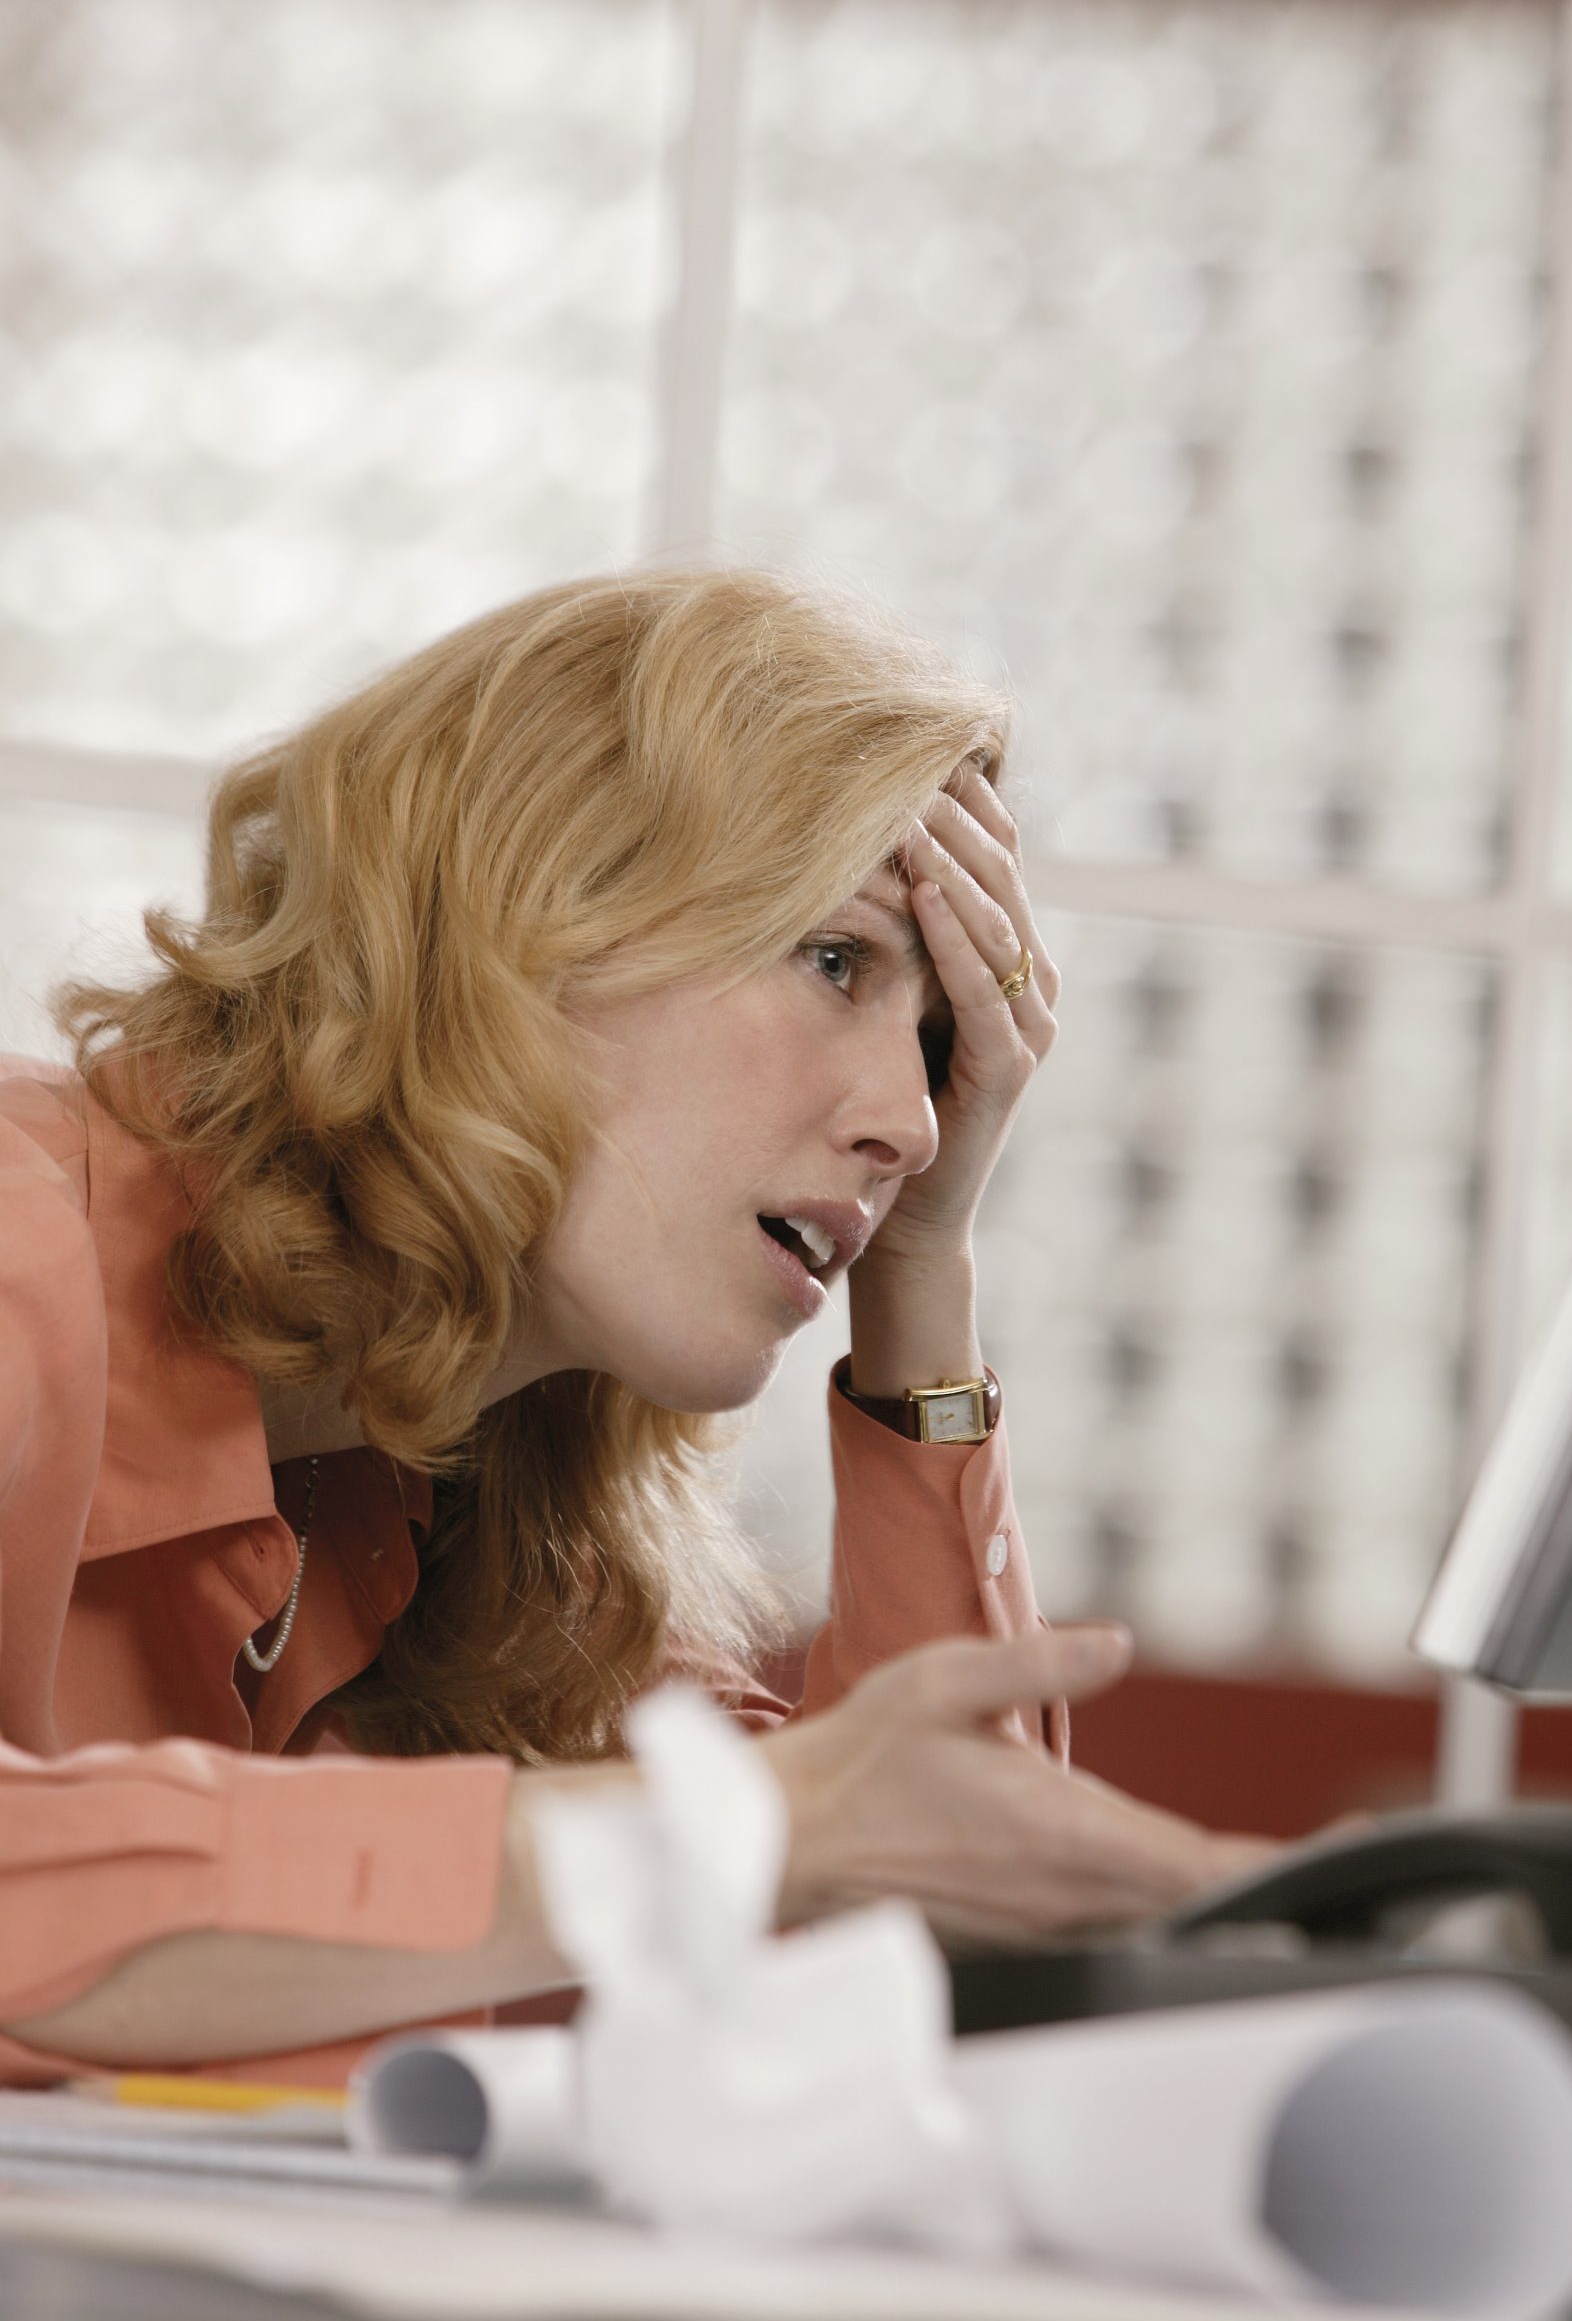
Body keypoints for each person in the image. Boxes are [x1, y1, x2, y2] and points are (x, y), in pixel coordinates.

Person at [0, 568, 1266, 2083]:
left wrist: (922, 1277)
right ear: (522, 922)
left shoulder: (473, 1497)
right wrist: (747, 1828)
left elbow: (934, 1948)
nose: (915, 1126)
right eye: (837, 960)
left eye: (933, 1049)